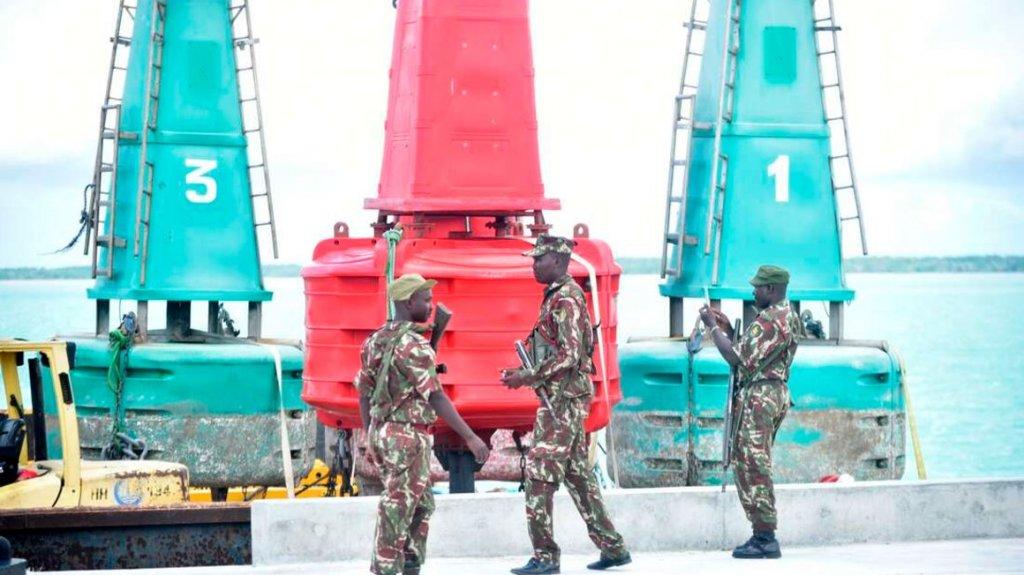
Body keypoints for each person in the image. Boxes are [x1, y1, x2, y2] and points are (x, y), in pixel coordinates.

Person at [501, 235, 630, 575]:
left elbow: (570, 355)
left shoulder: (566, 300)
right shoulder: (558, 297)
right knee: (576, 475)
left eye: (538, 260)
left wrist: (527, 376)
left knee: (540, 476)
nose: (533, 265)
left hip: (562, 401)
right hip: (562, 397)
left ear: (557, 261)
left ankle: (546, 557)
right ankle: (613, 547)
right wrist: (526, 372)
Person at [355, 273, 491, 575]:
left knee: (421, 504)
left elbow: (363, 392)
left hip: (385, 432)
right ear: (407, 302)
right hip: (406, 436)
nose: (430, 306)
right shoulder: (413, 345)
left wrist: (370, 434)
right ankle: (386, 568)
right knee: (398, 507)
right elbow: (435, 396)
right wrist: (470, 437)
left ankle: (410, 563)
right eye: (425, 300)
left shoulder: (375, 339)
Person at [698, 264, 802, 559]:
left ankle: (765, 536)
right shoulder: (786, 315)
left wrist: (712, 328)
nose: (753, 291)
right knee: (751, 461)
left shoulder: (771, 319)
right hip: (772, 392)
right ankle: (762, 533)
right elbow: (751, 350)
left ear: (770, 289)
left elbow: (735, 358)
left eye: (758, 287)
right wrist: (728, 328)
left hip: (761, 396)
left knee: (753, 464)